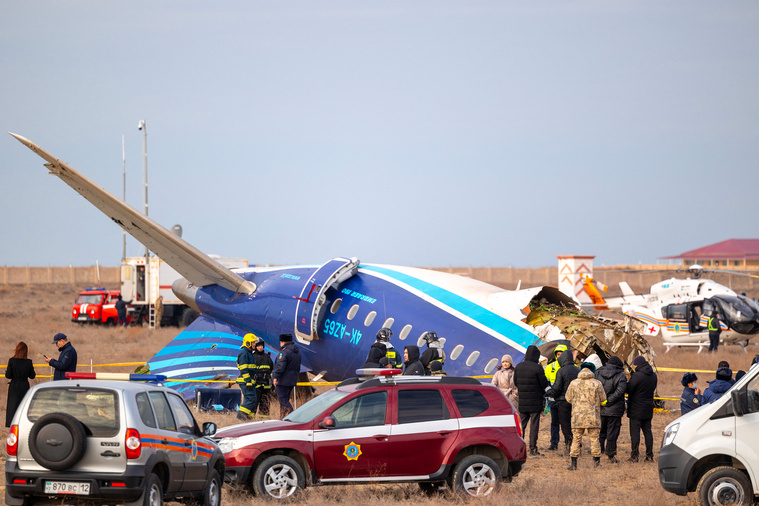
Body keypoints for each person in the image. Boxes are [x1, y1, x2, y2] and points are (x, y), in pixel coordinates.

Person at [565, 362, 607, 470]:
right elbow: (603, 398)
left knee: (576, 439)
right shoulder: (597, 383)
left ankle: (573, 464)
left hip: (577, 417)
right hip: (593, 417)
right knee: (594, 440)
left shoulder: (573, 383)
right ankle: (596, 464)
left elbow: (568, 398)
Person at [514, 345, 549, 456]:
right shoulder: (537, 368)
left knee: (522, 426)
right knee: (534, 426)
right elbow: (543, 383)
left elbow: (516, 382)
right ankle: (533, 448)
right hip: (535, 401)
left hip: (523, 401)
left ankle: (519, 448)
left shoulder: (519, 366)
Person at [626, 355, 658, 463]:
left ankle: (634, 456)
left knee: (635, 434)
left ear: (637, 365)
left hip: (636, 409)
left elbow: (629, 389)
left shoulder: (637, 376)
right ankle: (649, 456)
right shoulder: (653, 375)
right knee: (648, 433)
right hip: (648, 408)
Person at [596, 356, 627, 463]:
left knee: (601, 431)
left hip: (600, 407)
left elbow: (595, 387)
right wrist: (608, 401)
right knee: (612, 433)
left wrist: (602, 400)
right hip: (615, 409)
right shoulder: (621, 376)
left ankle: (598, 451)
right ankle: (610, 454)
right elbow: (620, 392)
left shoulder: (598, 373)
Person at [551, 348, 579, 455]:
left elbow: (557, 387)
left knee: (565, 424)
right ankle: (577, 445)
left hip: (563, 402)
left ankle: (569, 446)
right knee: (575, 424)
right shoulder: (577, 369)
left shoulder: (561, 371)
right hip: (576, 402)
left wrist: (552, 394)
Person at [6, 341, 36, 427]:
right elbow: (32, 376)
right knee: (23, 407)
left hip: (14, 386)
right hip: (24, 386)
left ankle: (12, 425)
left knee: (13, 407)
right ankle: (23, 425)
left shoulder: (12, 361)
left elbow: (8, 375)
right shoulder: (29, 362)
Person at [544, 344, 567, 451]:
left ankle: (569, 442)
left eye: (562, 354)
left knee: (567, 423)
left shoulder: (572, 368)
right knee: (554, 423)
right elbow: (545, 382)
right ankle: (554, 443)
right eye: (558, 354)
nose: (559, 356)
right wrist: (549, 392)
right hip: (553, 400)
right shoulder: (549, 367)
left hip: (566, 401)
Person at [272, 333, 301, 418]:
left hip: (283, 381)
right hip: (292, 380)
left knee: (283, 401)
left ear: (283, 342)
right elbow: (298, 368)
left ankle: (294, 416)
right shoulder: (296, 353)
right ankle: (283, 418)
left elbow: (280, 367)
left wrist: (275, 377)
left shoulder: (284, 352)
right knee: (285, 401)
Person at [236, 333, 258, 421]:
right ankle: (241, 417)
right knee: (251, 400)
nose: (255, 344)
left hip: (249, 381)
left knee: (254, 400)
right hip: (245, 382)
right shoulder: (244, 353)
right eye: (253, 342)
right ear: (248, 343)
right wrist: (248, 381)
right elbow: (243, 369)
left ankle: (249, 419)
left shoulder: (249, 353)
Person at [251, 337, 274, 417]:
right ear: (255, 347)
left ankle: (264, 422)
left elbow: (272, 370)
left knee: (265, 405)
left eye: (261, 345)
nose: (260, 347)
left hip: (266, 386)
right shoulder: (252, 357)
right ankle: (250, 421)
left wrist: (272, 383)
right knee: (254, 404)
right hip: (256, 386)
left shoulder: (267, 357)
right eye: (258, 346)